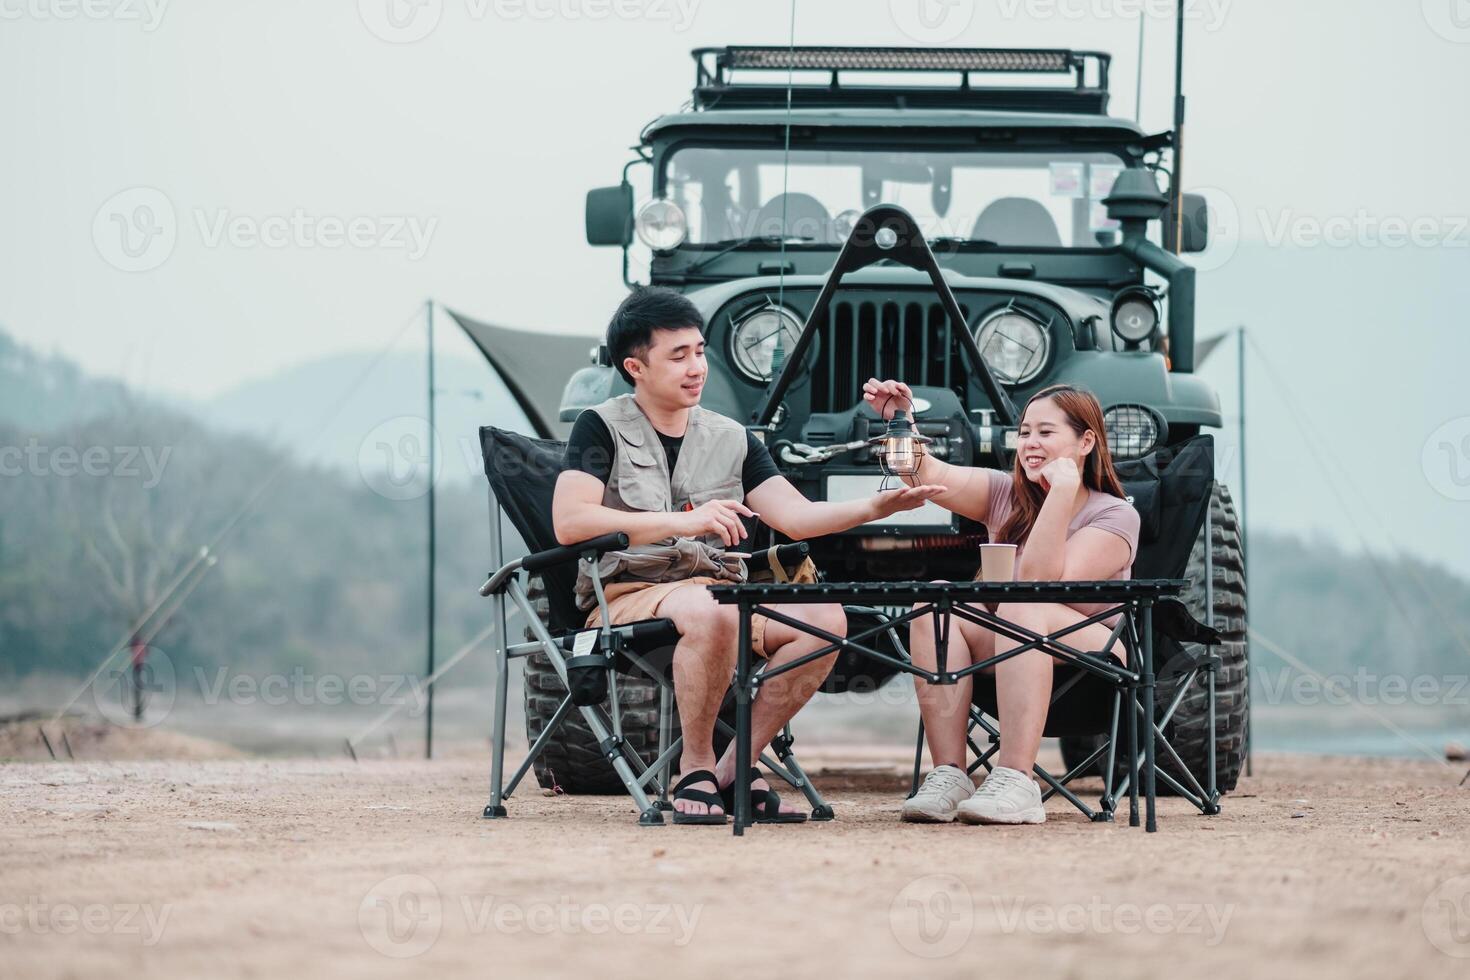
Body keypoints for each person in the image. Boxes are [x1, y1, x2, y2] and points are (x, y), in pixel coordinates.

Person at [554, 287, 944, 825]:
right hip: (629, 593)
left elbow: (798, 517)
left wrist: (878, 506)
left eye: (698, 352)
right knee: (708, 609)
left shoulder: (732, 436)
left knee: (825, 620)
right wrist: (682, 522)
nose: (696, 368)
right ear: (634, 367)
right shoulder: (599, 425)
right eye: (677, 356)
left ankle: (735, 766)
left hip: (719, 592)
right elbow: (570, 522)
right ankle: (693, 766)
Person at [862, 378, 1141, 826]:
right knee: (934, 605)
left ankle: (1016, 778)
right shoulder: (1003, 494)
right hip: (1010, 647)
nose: (1030, 443)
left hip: (1094, 658)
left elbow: (1040, 582)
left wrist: (1063, 492)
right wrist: (901, 419)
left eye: (1046, 433)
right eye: (1025, 432)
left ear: (1086, 440)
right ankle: (950, 774)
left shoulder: (1116, 514)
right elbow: (924, 472)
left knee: (1021, 605)